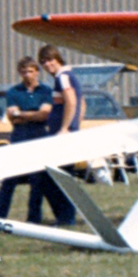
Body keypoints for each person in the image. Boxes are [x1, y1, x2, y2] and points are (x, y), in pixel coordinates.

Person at [0, 57, 53, 223]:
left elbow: (45, 114)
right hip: (20, 135)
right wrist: (33, 114)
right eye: (23, 72)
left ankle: (34, 217)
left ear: (36, 72)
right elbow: (12, 115)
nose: (27, 75)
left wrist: (23, 114)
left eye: (30, 71)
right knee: (10, 179)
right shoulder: (14, 92)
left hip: (39, 135)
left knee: (37, 180)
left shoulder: (45, 91)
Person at [38, 45, 81, 226]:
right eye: (44, 62)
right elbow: (81, 102)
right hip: (68, 134)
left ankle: (65, 217)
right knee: (63, 177)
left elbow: (71, 101)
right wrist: (76, 125)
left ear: (58, 59)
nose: (48, 65)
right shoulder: (69, 75)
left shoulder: (62, 77)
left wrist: (64, 128)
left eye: (50, 60)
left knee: (48, 178)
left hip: (62, 136)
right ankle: (67, 216)